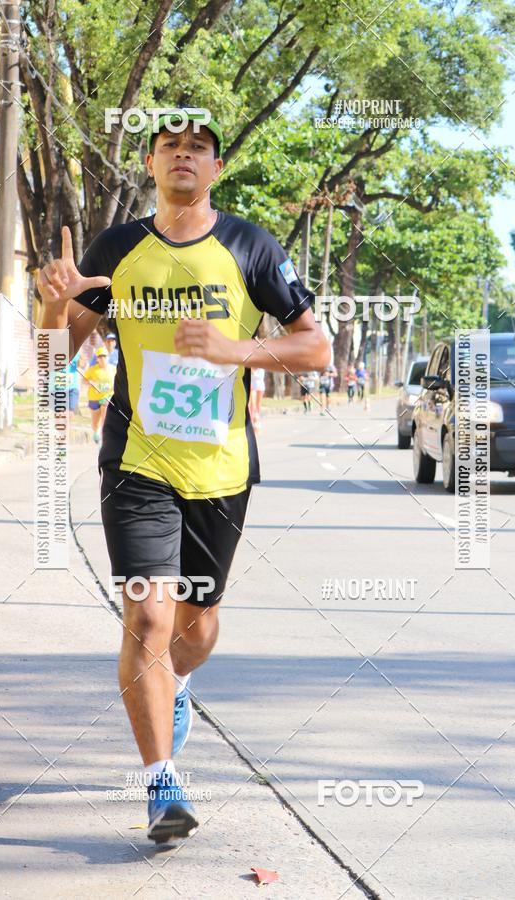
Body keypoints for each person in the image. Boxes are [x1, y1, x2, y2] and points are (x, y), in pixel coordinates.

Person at [37, 108, 330, 844]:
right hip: (137, 462)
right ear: (150, 162)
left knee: (195, 630)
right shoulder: (118, 248)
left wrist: (237, 351)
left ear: (215, 167)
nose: (183, 156)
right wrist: (52, 306)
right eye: (169, 146)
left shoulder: (250, 247)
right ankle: (162, 785)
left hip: (222, 468)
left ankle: (178, 683)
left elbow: (316, 349)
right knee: (148, 619)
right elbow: (51, 361)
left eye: (198, 147)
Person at [83, 347, 115, 442]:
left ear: (108, 357)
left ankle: (104, 436)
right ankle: (96, 431)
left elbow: (118, 381)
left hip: (107, 396)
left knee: (105, 414)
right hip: (94, 398)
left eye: (104, 356)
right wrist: (90, 382)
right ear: (97, 359)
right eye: (100, 356)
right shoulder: (92, 370)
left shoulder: (113, 369)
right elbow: (84, 380)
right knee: (95, 423)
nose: (102, 358)